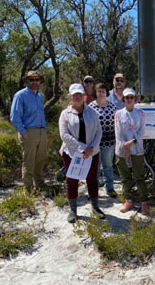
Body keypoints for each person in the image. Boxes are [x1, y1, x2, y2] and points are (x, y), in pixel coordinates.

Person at [59, 84, 104, 223]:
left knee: (92, 179)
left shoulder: (92, 112)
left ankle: (95, 207)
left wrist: (91, 148)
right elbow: (64, 135)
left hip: (92, 152)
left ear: (84, 96)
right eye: (74, 95)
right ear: (70, 97)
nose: (77, 97)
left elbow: (98, 131)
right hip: (72, 153)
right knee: (72, 181)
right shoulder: (65, 114)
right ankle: (73, 210)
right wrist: (82, 148)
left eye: (79, 94)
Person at [10, 70, 47, 190]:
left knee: (40, 160)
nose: (35, 82)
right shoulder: (20, 95)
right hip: (29, 132)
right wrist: (24, 132)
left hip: (42, 131)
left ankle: (40, 183)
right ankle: (28, 188)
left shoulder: (39, 96)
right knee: (29, 161)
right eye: (31, 79)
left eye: (37, 79)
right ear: (27, 81)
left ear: (40, 81)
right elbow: (14, 116)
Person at [114, 88, 149, 215]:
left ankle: (144, 201)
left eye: (131, 97)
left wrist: (132, 142)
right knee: (125, 177)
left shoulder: (141, 113)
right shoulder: (118, 114)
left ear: (135, 99)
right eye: (127, 97)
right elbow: (118, 132)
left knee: (139, 176)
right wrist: (125, 147)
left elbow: (142, 131)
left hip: (137, 148)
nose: (129, 100)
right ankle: (129, 200)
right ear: (124, 99)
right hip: (122, 149)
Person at [89, 83, 118, 198]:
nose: (101, 93)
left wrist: (116, 140)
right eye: (98, 91)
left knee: (108, 166)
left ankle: (109, 188)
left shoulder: (112, 106)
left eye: (103, 91)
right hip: (95, 143)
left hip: (109, 142)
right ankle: (94, 189)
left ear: (107, 93)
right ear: (95, 93)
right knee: (95, 168)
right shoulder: (91, 107)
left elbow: (117, 125)